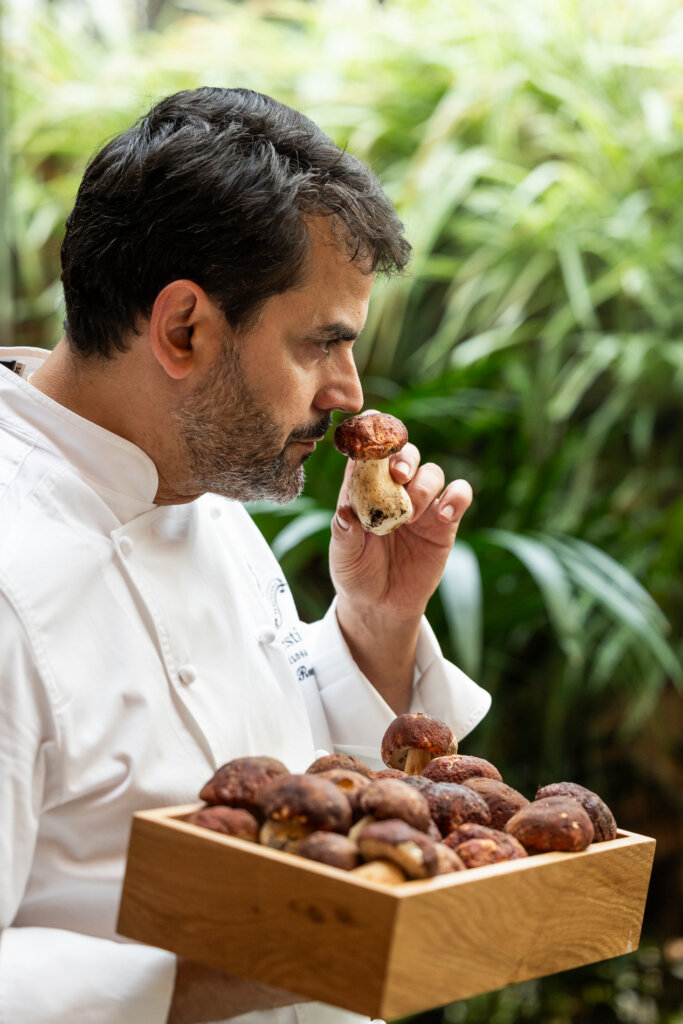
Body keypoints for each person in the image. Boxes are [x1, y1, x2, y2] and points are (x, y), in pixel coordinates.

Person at [0, 87, 490, 1024]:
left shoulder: (195, 477)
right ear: (183, 327)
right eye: (321, 345)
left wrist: (374, 626)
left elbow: (266, 769)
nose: (348, 393)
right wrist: (239, 966)